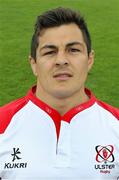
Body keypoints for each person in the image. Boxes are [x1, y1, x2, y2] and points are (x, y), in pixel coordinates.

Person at [0, 7, 119, 180]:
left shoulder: (115, 126)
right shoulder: (3, 126)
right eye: (50, 52)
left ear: (89, 60)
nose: (61, 60)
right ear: (33, 63)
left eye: (73, 50)